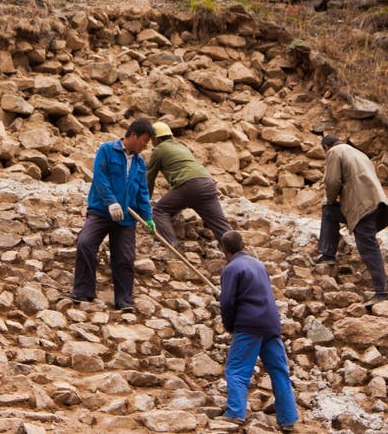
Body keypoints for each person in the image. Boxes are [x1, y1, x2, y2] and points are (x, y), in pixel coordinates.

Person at [68, 117, 155, 310]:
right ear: (133, 135)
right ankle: (83, 292)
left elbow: (142, 192)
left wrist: (148, 218)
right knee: (85, 243)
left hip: (126, 217)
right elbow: (100, 178)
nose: (145, 146)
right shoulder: (107, 150)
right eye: (144, 141)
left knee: (124, 257)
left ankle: (124, 300)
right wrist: (111, 202)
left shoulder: (140, 163)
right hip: (101, 211)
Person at [218, 230, 299, 432]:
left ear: (223, 250)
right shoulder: (259, 264)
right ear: (244, 245)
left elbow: (227, 302)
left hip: (248, 325)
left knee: (237, 369)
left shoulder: (231, 269)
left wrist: (229, 325)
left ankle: (236, 413)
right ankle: (288, 419)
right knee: (279, 371)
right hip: (271, 324)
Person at [311, 134, 388, 307]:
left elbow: (332, 181)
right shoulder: (359, 153)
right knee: (329, 211)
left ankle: (382, 292)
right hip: (378, 204)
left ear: (325, 147)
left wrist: (331, 199)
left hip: (362, 206)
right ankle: (327, 254)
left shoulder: (334, 152)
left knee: (368, 247)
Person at [146, 121, 232, 246]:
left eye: (151, 139)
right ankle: (237, 253)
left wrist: (144, 201)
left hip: (189, 185)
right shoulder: (180, 146)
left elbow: (149, 178)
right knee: (220, 225)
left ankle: (172, 246)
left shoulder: (158, 150)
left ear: (155, 139)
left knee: (159, 210)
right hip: (207, 183)